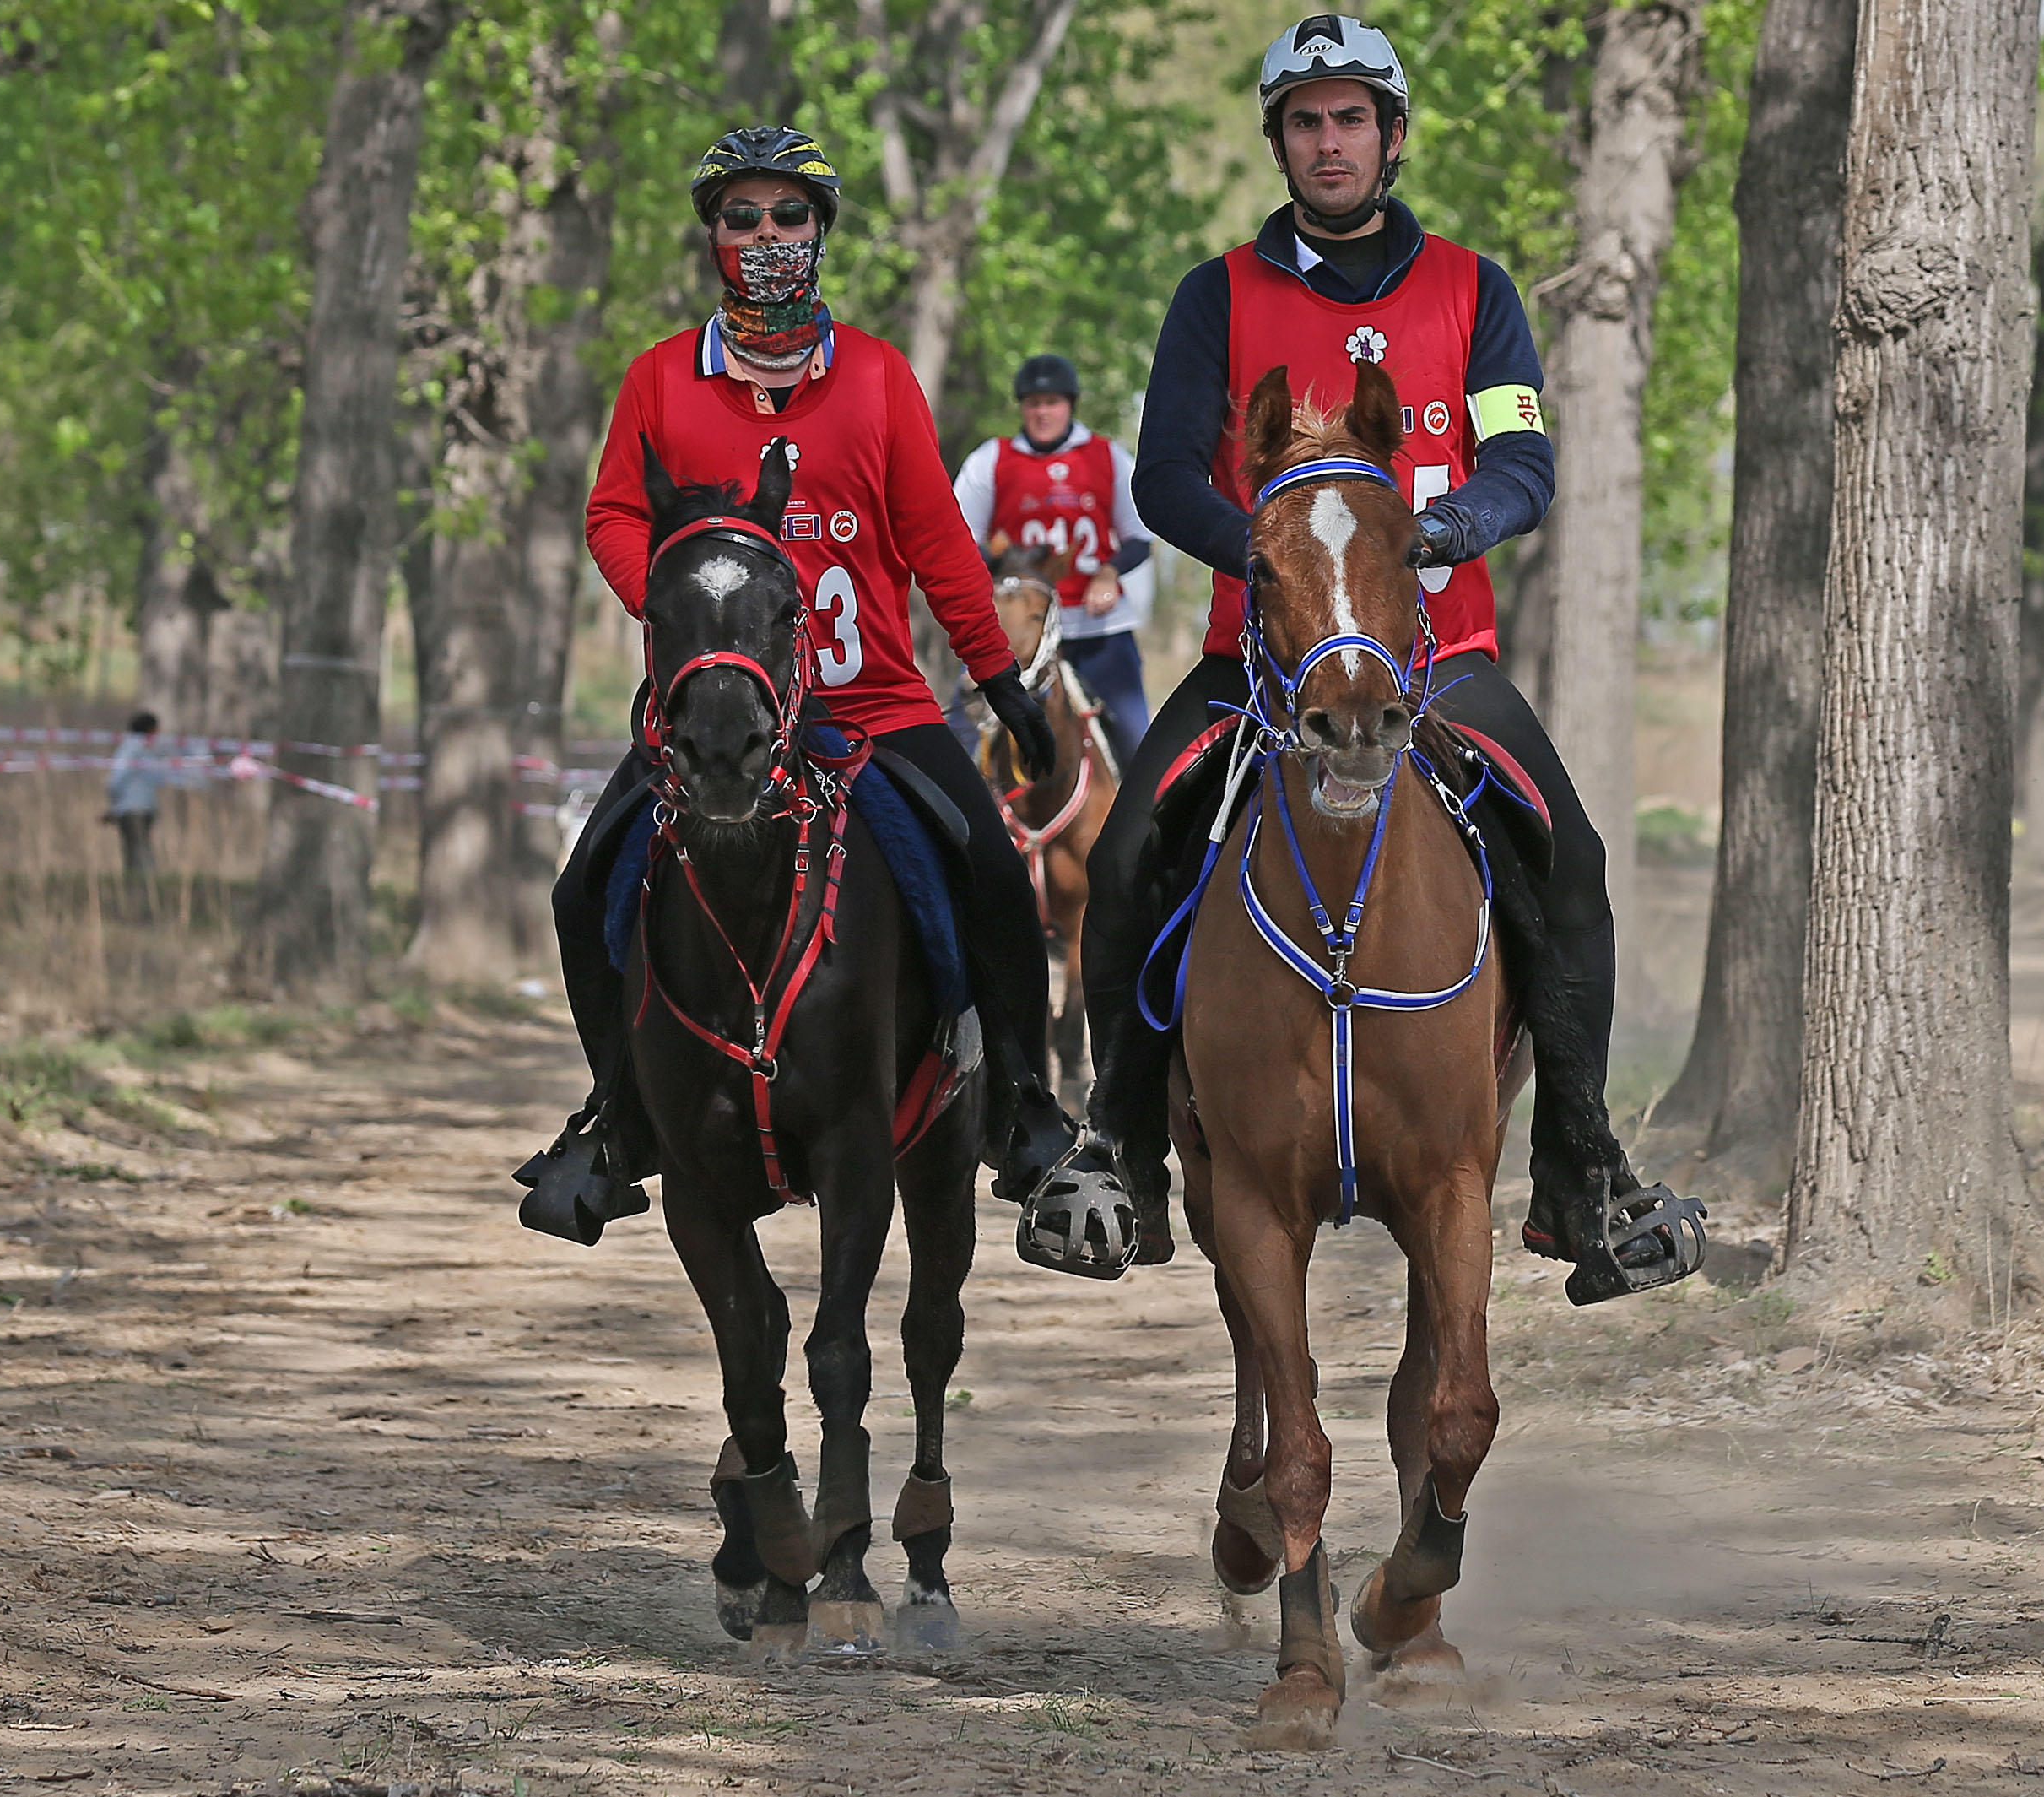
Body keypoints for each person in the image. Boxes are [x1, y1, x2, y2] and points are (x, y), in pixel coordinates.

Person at [1078, 14, 1676, 1291]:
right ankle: (1115, 1150)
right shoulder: (1213, 297)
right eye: (1306, 121)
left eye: (1351, 118)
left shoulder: (1477, 289)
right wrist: (1274, 546)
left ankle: (1582, 1169)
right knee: (1130, 846)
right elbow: (1163, 473)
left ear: (1390, 136)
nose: (1328, 141)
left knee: (1566, 854)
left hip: (1438, 657)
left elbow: (1525, 459)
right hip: (1265, 658)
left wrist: (1455, 521)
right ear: (1279, 142)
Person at [520, 126, 1131, 1269]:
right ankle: (615, 1118)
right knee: (582, 886)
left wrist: (998, 680)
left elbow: (938, 542)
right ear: (711, 235)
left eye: (787, 216)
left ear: (819, 233)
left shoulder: (879, 377)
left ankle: (1025, 1111)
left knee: (994, 872)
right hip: (711, 720)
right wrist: (667, 608)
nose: (765, 238)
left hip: (874, 711)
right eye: (741, 216)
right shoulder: (659, 378)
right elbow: (612, 513)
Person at [948, 354, 1154, 771]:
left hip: (1098, 631)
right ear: (1021, 407)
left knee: (1139, 749)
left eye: (1053, 402)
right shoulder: (992, 459)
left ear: (1070, 405)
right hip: (1017, 635)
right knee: (959, 738)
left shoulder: (1107, 457)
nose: (1043, 412)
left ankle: (1149, 833)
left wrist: (1109, 573)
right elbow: (955, 542)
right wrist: (999, 556)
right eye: (1034, 402)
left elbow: (1141, 537)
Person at [103, 712, 166, 903]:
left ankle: (140, 895)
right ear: (150, 729)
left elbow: (115, 782)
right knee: (141, 852)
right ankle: (146, 895)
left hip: (131, 809)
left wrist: (113, 805)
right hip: (140, 809)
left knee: (135, 854)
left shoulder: (132, 748)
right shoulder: (143, 749)